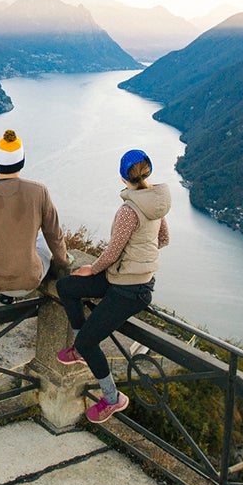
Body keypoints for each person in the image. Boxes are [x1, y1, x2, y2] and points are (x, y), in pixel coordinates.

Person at [55, 148, 171, 423]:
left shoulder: (129, 210)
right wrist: (139, 259)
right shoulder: (154, 205)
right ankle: (79, 349)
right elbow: (163, 239)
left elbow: (112, 253)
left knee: (88, 341)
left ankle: (111, 398)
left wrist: (91, 269)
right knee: (66, 287)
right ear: (148, 172)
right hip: (128, 279)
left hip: (129, 290)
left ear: (123, 178)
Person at [0, 129, 72, 313]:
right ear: (22, 161)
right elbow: (55, 236)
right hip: (28, 281)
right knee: (41, 239)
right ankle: (10, 294)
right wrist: (62, 263)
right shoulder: (38, 191)